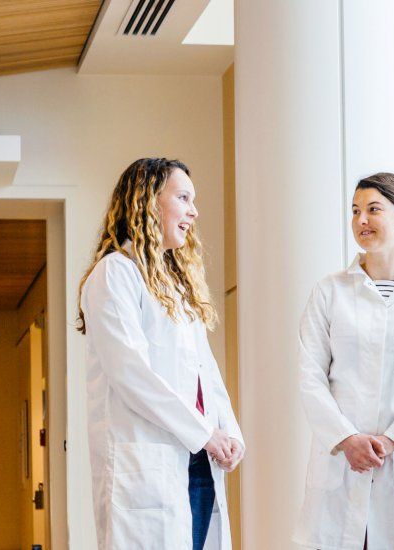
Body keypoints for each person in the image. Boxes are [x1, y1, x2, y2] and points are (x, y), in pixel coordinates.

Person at [78, 158, 244, 550]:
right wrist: (204, 433)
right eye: (183, 198)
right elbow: (131, 374)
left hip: (197, 459)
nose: (194, 212)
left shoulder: (176, 284)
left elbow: (205, 371)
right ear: (149, 201)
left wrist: (229, 431)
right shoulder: (115, 273)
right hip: (151, 459)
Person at [294, 173, 394, 549]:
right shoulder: (330, 291)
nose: (361, 220)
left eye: (373, 209)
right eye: (355, 211)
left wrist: (391, 440)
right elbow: (310, 375)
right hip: (341, 467)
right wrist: (347, 438)